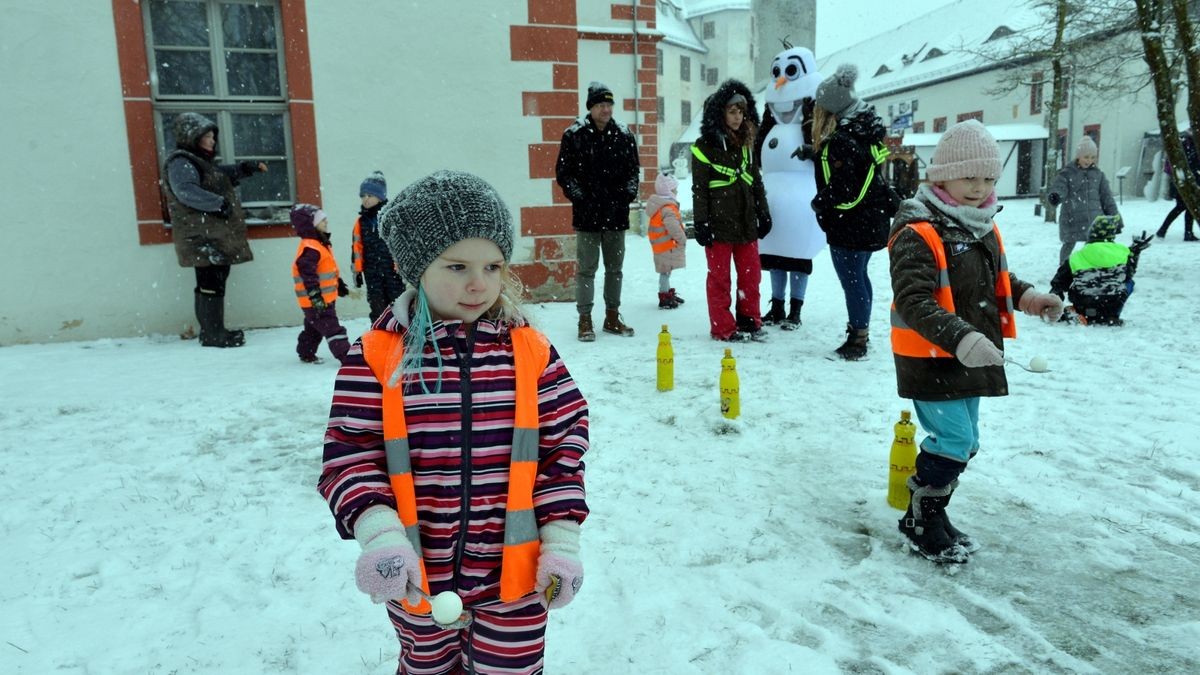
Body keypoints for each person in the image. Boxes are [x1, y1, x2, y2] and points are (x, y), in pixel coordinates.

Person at [318, 171, 589, 673]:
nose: (478, 283)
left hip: (517, 584)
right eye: (458, 264)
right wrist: (379, 534)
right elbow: (349, 457)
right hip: (417, 577)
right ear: (415, 266)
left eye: (493, 266)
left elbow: (562, 452)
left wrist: (561, 543)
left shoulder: (531, 352)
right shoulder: (378, 357)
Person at [888, 120, 1064, 564]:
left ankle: (932, 513)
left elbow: (997, 281)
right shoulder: (919, 231)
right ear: (941, 175)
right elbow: (913, 300)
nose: (979, 187)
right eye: (970, 177)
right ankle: (921, 520)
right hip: (931, 358)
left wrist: (1031, 298)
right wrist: (961, 337)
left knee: (966, 443)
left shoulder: (980, 226)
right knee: (952, 439)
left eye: (988, 178)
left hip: (971, 355)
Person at [811, 64, 899, 360]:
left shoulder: (843, 140)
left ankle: (857, 339)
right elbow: (859, 172)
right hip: (870, 221)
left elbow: (846, 189)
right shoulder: (863, 133)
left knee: (852, 281)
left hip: (849, 223)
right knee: (860, 277)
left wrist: (820, 203)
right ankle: (861, 332)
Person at [162, 112, 268, 348]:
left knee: (212, 281)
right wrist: (218, 203)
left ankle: (212, 331)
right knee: (211, 281)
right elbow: (186, 190)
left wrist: (245, 169)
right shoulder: (181, 162)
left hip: (209, 234)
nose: (212, 141)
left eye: (212, 136)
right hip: (202, 236)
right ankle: (213, 334)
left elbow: (220, 175)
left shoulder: (199, 161)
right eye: (207, 136)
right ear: (193, 137)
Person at [556, 81, 640, 341]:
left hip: (616, 215)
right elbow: (564, 173)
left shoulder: (624, 135)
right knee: (587, 269)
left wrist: (627, 195)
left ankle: (612, 316)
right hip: (587, 216)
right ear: (591, 108)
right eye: (601, 105)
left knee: (615, 269)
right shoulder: (574, 135)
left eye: (609, 105)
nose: (606, 109)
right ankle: (585, 319)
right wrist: (580, 197)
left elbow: (633, 173)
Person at [691, 79, 772, 343]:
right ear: (721, 114)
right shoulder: (704, 148)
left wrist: (764, 212)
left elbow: (756, 182)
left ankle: (749, 321)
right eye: (732, 112)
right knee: (720, 280)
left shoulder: (747, 144)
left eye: (741, 112)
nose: (738, 118)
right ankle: (723, 328)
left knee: (751, 276)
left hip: (746, 222)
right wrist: (701, 223)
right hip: (718, 225)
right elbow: (700, 189)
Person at [755, 45, 826, 331]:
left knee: (796, 261)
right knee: (775, 261)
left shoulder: (813, 127)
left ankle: (795, 308)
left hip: (801, 206)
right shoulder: (769, 127)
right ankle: (777, 305)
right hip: (771, 208)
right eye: (777, 74)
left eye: (791, 72)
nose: (782, 80)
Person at [1050, 215, 1152, 326]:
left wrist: (1052, 302)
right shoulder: (1123, 252)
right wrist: (1135, 252)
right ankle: (1111, 317)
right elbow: (1128, 275)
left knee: (1074, 281)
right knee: (1129, 283)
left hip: (1084, 305)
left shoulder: (1076, 256)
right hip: (1112, 305)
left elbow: (1059, 283)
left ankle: (1078, 314)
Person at [291, 203, 351, 364]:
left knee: (314, 328)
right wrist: (315, 297)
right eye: (321, 220)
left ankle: (306, 352)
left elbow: (327, 271)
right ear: (311, 224)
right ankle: (349, 358)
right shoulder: (310, 248)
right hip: (316, 301)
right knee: (333, 329)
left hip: (322, 299)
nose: (326, 222)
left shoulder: (319, 244)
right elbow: (308, 277)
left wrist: (340, 286)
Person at [1048, 135, 1121, 262]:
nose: (1089, 160)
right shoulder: (1068, 173)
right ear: (1078, 156)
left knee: (1093, 244)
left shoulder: (1098, 175)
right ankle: (1063, 269)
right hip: (1072, 216)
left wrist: (1115, 217)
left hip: (1093, 218)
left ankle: (1089, 265)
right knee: (1069, 243)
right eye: (1086, 157)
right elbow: (1060, 186)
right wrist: (1056, 195)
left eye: (1093, 157)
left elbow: (1107, 197)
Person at [351, 171, 407, 322]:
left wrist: (405, 268)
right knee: (377, 309)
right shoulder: (361, 222)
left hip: (393, 272)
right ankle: (380, 339)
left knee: (399, 307)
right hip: (372, 273)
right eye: (363, 196)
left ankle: (402, 340)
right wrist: (356, 271)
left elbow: (402, 244)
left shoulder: (391, 217)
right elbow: (357, 248)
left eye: (370, 195)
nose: (366, 199)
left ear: (380, 196)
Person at [645, 172, 687, 309]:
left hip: (661, 246)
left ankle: (667, 293)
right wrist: (682, 238)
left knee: (666, 271)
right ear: (669, 191)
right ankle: (664, 297)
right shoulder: (668, 208)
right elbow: (673, 227)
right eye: (674, 189)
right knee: (665, 272)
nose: (677, 191)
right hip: (666, 245)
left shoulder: (661, 206)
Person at [1155, 130, 1199, 241]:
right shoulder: (1189, 146)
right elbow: (1193, 164)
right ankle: (1164, 230)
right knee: (1183, 207)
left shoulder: (1184, 144)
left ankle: (1186, 233)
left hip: (1182, 180)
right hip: (1184, 181)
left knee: (1188, 207)